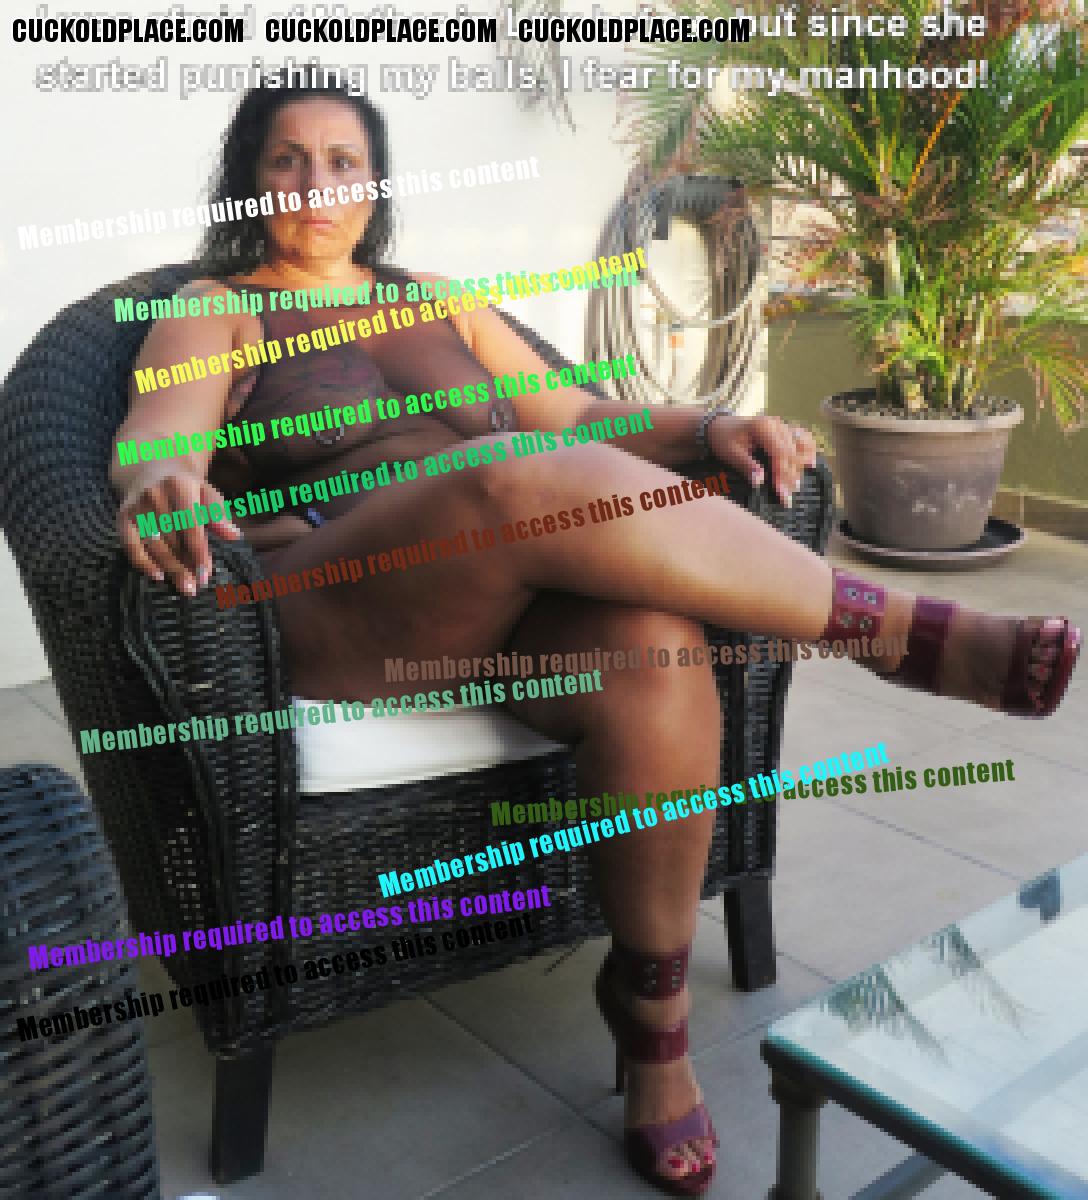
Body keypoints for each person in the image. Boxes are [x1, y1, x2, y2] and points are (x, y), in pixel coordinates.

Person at [111, 81, 1081, 1197]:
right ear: (249, 179)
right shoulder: (217, 306)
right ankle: (888, 629)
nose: (315, 184)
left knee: (653, 654)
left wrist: (710, 424)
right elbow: (156, 437)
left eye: (342, 160)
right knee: (500, 474)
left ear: (375, 184)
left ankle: (651, 1018)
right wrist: (162, 483)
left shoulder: (438, 303)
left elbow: (577, 419)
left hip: (498, 579)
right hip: (337, 596)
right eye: (286, 159)